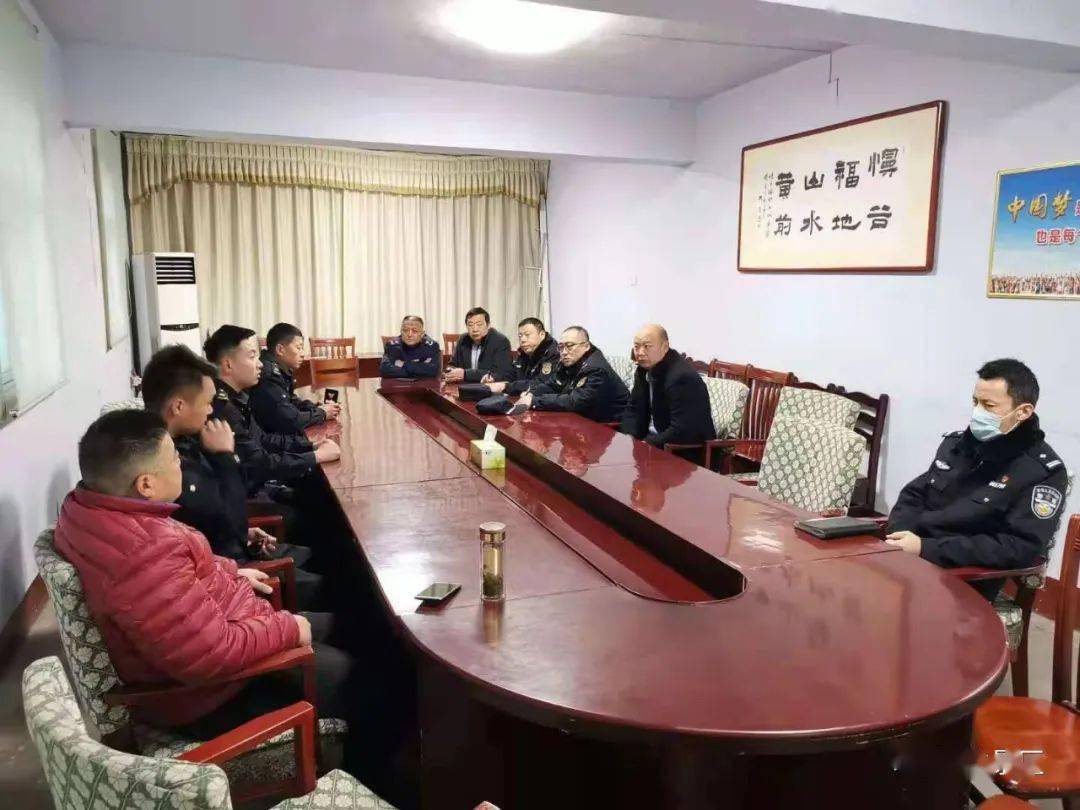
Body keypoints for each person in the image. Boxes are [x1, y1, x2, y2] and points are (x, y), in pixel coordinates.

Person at [52, 409, 356, 732]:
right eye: (173, 458)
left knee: (356, 627)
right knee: (360, 678)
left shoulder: (91, 509)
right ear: (146, 484)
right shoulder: (142, 553)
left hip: (228, 632)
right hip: (215, 695)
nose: (181, 463)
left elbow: (174, 575)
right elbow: (209, 654)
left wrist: (231, 571)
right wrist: (290, 629)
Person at [140, 345, 327, 609]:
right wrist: (225, 456)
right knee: (336, 586)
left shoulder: (182, 439)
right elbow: (228, 517)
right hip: (233, 576)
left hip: (235, 550)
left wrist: (244, 532)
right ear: (179, 406)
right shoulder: (168, 466)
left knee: (325, 555)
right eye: (206, 403)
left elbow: (217, 518)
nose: (210, 411)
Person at [885, 358, 1068, 598]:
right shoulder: (958, 445)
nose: (977, 413)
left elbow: (1019, 547)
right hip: (911, 559)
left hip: (964, 578)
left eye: (988, 405)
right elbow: (915, 494)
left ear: (1023, 411)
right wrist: (900, 534)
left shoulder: (1041, 471)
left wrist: (925, 548)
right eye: (975, 402)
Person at [204, 325, 340, 493]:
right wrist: (316, 456)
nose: (260, 364)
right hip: (250, 495)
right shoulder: (223, 408)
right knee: (318, 493)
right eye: (252, 357)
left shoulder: (237, 398)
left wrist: (310, 445)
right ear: (228, 364)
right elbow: (258, 465)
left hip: (257, 482)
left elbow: (263, 440)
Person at [619, 324, 715, 449]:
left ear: (664, 347)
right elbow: (633, 409)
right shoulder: (644, 369)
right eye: (637, 347)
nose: (640, 352)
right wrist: (627, 438)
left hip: (682, 450)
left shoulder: (681, 377)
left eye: (647, 346)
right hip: (652, 440)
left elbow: (682, 430)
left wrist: (645, 444)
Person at [518, 326, 629, 423]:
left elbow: (576, 401)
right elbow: (553, 384)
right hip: (582, 418)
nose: (564, 352)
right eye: (561, 347)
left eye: (570, 346)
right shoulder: (569, 361)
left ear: (586, 346)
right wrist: (531, 394)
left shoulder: (596, 369)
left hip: (609, 425)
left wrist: (535, 401)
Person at [250, 322, 340, 435]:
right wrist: (323, 413)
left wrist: (314, 407)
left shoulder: (278, 368)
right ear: (280, 349)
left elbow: (289, 401)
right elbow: (291, 420)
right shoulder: (269, 374)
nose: (303, 354)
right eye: (299, 348)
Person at [481, 317, 559, 395]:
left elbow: (540, 383)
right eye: (520, 336)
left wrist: (506, 387)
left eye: (527, 335)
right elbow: (513, 374)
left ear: (542, 334)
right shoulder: (524, 352)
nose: (522, 340)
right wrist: (494, 378)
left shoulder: (553, 353)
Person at [443, 307, 513, 383]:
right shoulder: (463, 339)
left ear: (488, 325)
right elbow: (453, 364)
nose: (475, 329)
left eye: (479, 324)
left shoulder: (500, 341)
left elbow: (500, 374)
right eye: (470, 325)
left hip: (488, 387)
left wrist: (465, 374)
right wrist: (450, 372)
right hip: (465, 386)